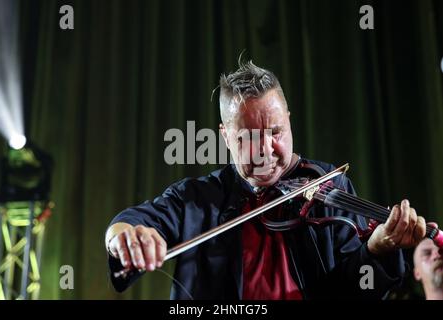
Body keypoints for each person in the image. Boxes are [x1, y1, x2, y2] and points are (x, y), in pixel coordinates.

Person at [105, 61, 427, 299]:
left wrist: (375, 249)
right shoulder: (195, 199)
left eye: (275, 132)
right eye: (248, 137)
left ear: (289, 121)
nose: (265, 150)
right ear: (226, 137)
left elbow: (354, 292)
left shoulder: (330, 187)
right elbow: (133, 222)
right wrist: (124, 236)